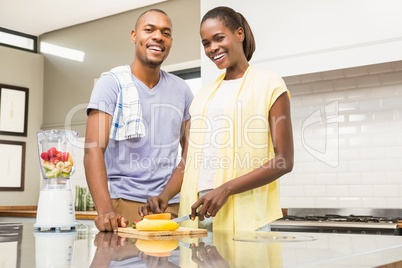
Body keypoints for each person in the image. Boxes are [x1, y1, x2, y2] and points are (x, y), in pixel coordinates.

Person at [140, 6, 294, 232]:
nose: (213, 48)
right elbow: (188, 161)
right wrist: (164, 196)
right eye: (206, 43)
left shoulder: (269, 84)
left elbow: (284, 160)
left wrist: (225, 189)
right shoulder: (202, 96)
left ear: (239, 34)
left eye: (219, 38)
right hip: (197, 215)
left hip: (246, 217)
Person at [84, 9, 193, 232]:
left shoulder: (182, 90)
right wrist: (105, 212)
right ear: (134, 36)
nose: (158, 37)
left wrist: (165, 195)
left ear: (170, 41)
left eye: (166, 32)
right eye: (149, 29)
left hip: (171, 208)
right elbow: (93, 150)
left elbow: (190, 155)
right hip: (123, 206)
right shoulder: (111, 84)